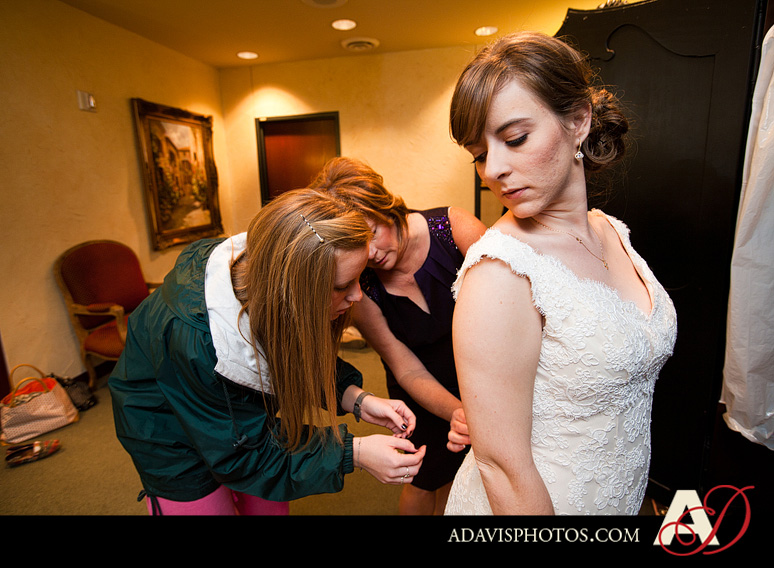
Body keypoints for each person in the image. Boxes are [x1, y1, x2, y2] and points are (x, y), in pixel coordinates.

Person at [443, 32, 678, 515]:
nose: (493, 170)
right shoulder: (500, 273)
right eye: (480, 154)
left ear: (578, 120)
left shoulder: (610, 230)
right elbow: (502, 466)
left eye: (514, 139)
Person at [109, 188, 425, 516]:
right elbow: (245, 456)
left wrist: (356, 398)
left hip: (235, 417)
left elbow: (296, 355)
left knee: (269, 506)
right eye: (343, 286)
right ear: (294, 287)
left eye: (359, 279)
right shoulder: (195, 343)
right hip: (169, 438)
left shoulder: (276, 288)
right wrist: (354, 452)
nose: (358, 296)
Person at [310, 157, 486, 515]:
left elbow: (515, 310)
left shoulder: (454, 229)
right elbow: (406, 368)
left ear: (384, 205)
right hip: (421, 392)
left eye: (372, 233)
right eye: (358, 243)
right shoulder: (363, 288)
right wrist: (457, 411)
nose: (370, 253)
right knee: (423, 477)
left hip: (483, 376)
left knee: (471, 476)